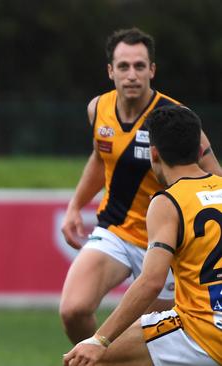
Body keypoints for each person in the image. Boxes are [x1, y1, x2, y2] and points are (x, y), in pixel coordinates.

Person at [59, 27, 221, 344]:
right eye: (123, 66)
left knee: (143, 339)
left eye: (139, 66)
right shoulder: (97, 109)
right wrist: (75, 206)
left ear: (152, 70)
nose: (131, 74)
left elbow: (214, 176)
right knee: (73, 310)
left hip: (168, 242)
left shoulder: (176, 119)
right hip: (116, 229)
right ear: (110, 71)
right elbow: (100, 157)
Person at [63, 105, 222, 366]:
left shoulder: (168, 201)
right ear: (198, 150)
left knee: (95, 359)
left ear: (154, 153)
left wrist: (98, 341)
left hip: (202, 332)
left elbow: (151, 282)